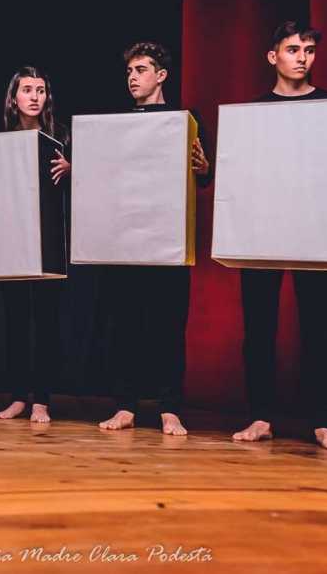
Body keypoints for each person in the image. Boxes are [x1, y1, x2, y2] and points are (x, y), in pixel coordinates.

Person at [231, 21, 327, 452]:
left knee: (319, 327)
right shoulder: (253, 112)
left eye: (308, 50)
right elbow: (239, 169)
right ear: (272, 56)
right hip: (261, 229)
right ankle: (260, 416)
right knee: (258, 326)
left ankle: (324, 422)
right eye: (293, 49)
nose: (302, 57)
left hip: (314, 229)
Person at [96, 42, 211, 435]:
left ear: (161, 76)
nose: (133, 77)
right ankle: (125, 406)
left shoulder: (184, 120)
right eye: (129, 71)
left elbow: (205, 175)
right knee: (124, 326)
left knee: (168, 327)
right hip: (125, 240)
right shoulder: (117, 124)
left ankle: (169, 408)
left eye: (141, 70)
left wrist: (203, 167)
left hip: (168, 241)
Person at [0, 66, 69, 424]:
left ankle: (42, 401)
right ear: (14, 97)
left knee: (46, 323)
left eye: (40, 90)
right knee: (15, 322)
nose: (34, 96)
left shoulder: (61, 137)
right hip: (12, 242)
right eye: (27, 90)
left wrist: (73, 168)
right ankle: (18, 397)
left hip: (50, 243)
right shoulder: (1, 141)